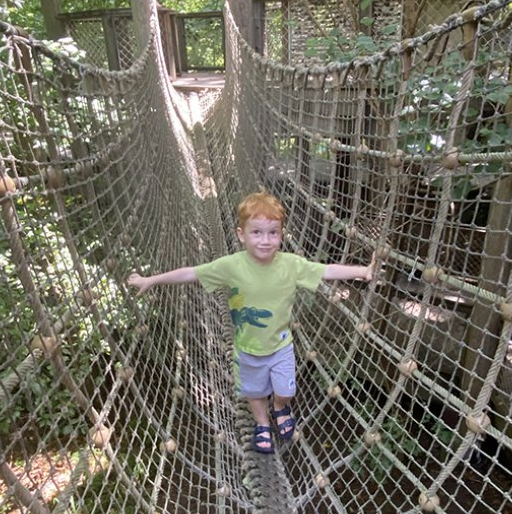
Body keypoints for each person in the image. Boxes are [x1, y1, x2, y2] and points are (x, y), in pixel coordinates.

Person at [127, 190, 371, 454]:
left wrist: (362, 271)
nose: (265, 241)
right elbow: (191, 273)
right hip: (246, 349)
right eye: (257, 232)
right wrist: (150, 280)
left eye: (273, 233)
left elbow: (326, 270)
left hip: (281, 347)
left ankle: (279, 408)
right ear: (241, 234)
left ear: (281, 234)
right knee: (254, 393)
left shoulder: (290, 265)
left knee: (286, 390)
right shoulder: (231, 266)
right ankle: (262, 423)